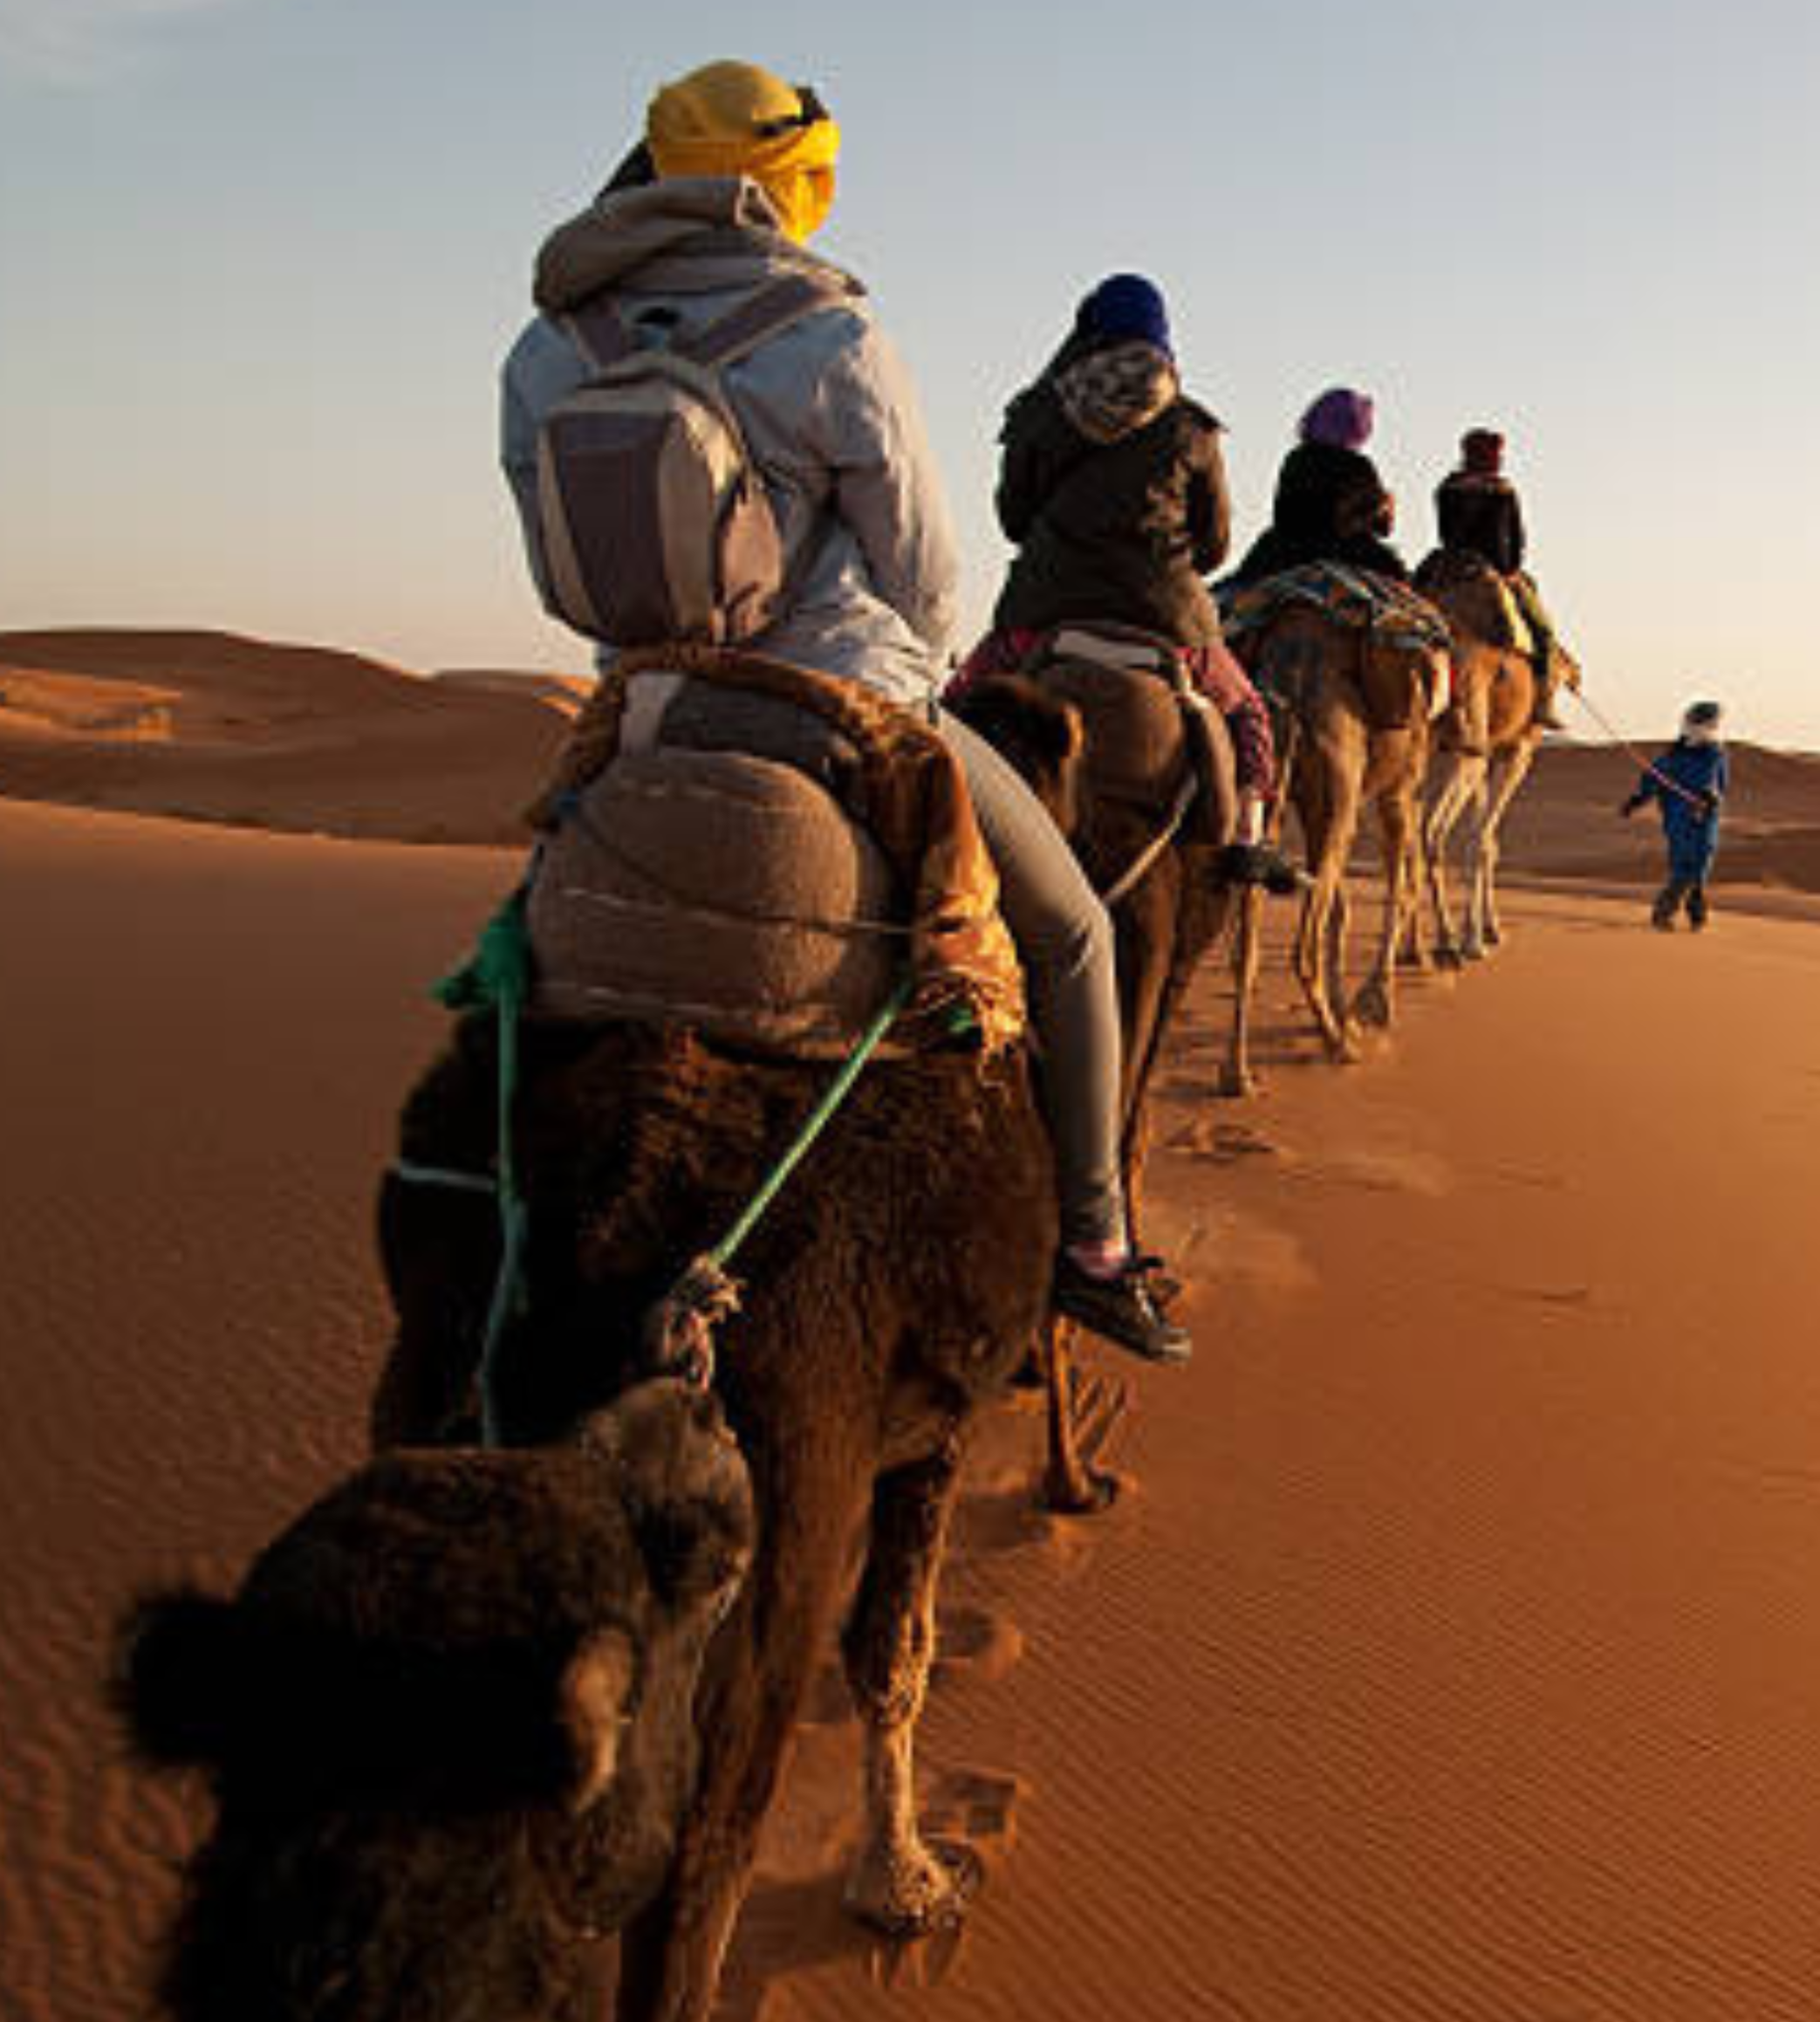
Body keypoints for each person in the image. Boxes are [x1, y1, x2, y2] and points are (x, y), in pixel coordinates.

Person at [498, 61, 1188, 1364]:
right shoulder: (830, 335)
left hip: (645, 711)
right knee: (1078, 936)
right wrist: (909, 687)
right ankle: (1094, 1243)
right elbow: (922, 567)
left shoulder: (548, 345)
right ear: (792, 185)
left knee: (517, 937)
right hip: (843, 699)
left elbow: (554, 560)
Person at [953, 273, 1294, 885]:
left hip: (1042, 616)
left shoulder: (1040, 412)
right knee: (1246, 711)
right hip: (1167, 621)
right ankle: (1248, 831)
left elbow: (1012, 520)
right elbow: (1213, 546)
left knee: (954, 708)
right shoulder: (1192, 427)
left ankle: (931, 820)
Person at [1433, 427, 1565, 728]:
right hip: (1495, 569)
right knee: (1542, 630)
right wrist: (1511, 570)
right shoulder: (1503, 490)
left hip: (1451, 564)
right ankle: (1543, 699)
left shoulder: (1447, 488)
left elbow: (1446, 533)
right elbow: (1515, 538)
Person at [1229, 386, 1410, 586]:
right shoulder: (1358, 466)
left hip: (1279, 552)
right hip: (1347, 552)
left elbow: (1282, 513)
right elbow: (1382, 526)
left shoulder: (1295, 459)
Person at [1620, 700, 1729, 931]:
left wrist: (1712, 797)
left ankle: (1680, 913)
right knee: (1685, 867)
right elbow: (1653, 779)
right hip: (1676, 820)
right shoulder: (1673, 756)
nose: (1694, 727)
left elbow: (1718, 783)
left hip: (1703, 820)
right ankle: (1681, 914)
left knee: (1697, 867)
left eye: (1701, 723)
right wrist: (1638, 799)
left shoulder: (1715, 755)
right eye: (1693, 721)